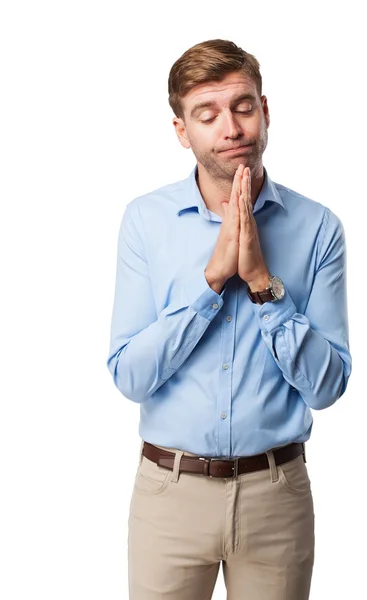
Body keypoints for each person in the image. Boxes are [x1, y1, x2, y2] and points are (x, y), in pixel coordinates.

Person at [106, 38, 352, 600]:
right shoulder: (145, 222)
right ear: (181, 130)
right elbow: (128, 376)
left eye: (243, 106)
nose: (231, 127)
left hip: (277, 495)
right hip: (169, 496)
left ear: (265, 111)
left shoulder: (318, 229)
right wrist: (210, 282)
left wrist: (263, 285)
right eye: (207, 114)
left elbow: (328, 386)